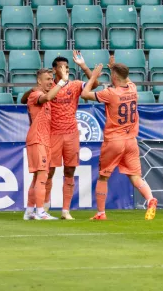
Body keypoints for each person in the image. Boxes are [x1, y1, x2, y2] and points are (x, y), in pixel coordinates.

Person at [21, 51, 99, 220]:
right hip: (51, 135)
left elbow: (95, 84)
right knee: (47, 173)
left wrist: (84, 66)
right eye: (62, 67)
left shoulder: (75, 85)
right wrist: (32, 90)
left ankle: (65, 210)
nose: (65, 70)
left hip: (71, 133)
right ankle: (44, 208)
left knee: (70, 170)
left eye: (68, 67)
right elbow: (27, 98)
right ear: (54, 70)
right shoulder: (48, 88)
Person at [81, 63, 158, 220]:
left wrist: (94, 76)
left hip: (114, 140)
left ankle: (101, 213)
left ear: (114, 76)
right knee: (135, 176)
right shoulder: (133, 88)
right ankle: (150, 198)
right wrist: (116, 67)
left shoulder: (110, 93)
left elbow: (85, 94)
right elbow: (125, 77)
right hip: (131, 140)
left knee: (103, 176)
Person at [23, 67, 69, 220]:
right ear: (39, 81)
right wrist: (62, 82)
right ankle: (40, 212)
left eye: (51, 79)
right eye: (47, 79)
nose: (51, 82)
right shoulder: (35, 95)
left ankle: (30, 212)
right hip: (37, 139)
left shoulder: (45, 96)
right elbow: (47, 97)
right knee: (43, 175)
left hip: (44, 140)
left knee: (37, 177)